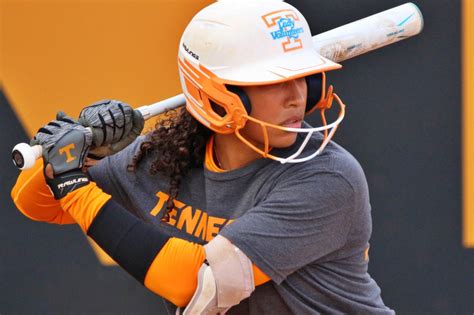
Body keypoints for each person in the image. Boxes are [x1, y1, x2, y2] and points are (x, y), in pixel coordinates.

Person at [11, 0, 394, 314]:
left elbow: (198, 284)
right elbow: (42, 206)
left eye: (304, 78)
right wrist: (79, 151)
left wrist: (73, 182)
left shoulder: (328, 178)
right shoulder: (166, 157)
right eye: (275, 81)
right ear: (217, 94)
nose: (297, 96)